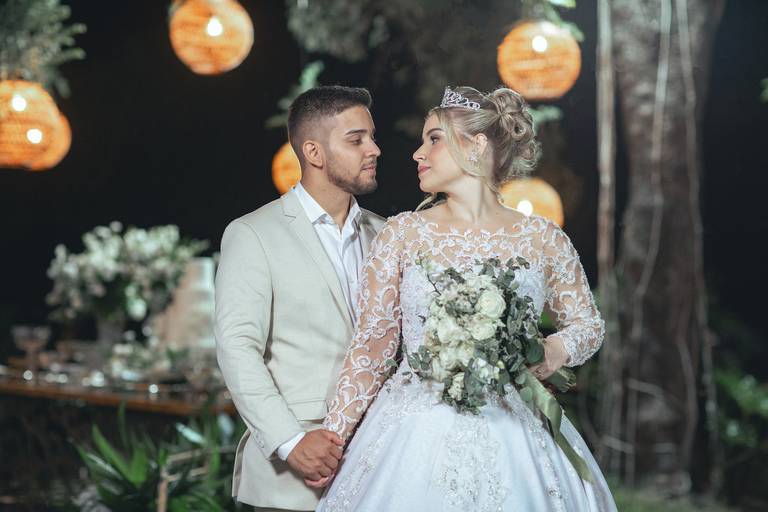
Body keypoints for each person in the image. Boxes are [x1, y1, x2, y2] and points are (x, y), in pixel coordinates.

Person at [312, 86, 618, 511]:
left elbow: (587, 324)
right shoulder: (403, 234)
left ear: (477, 145)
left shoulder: (542, 238)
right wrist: (331, 439)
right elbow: (372, 349)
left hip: (515, 425)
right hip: (415, 429)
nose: (418, 154)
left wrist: (553, 350)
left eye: (433, 139)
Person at [215, 85, 385, 511]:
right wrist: (291, 442)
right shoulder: (253, 234)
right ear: (314, 152)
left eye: (372, 137)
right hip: (295, 476)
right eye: (356, 139)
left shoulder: (387, 234)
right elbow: (237, 348)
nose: (374, 149)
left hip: (381, 463)